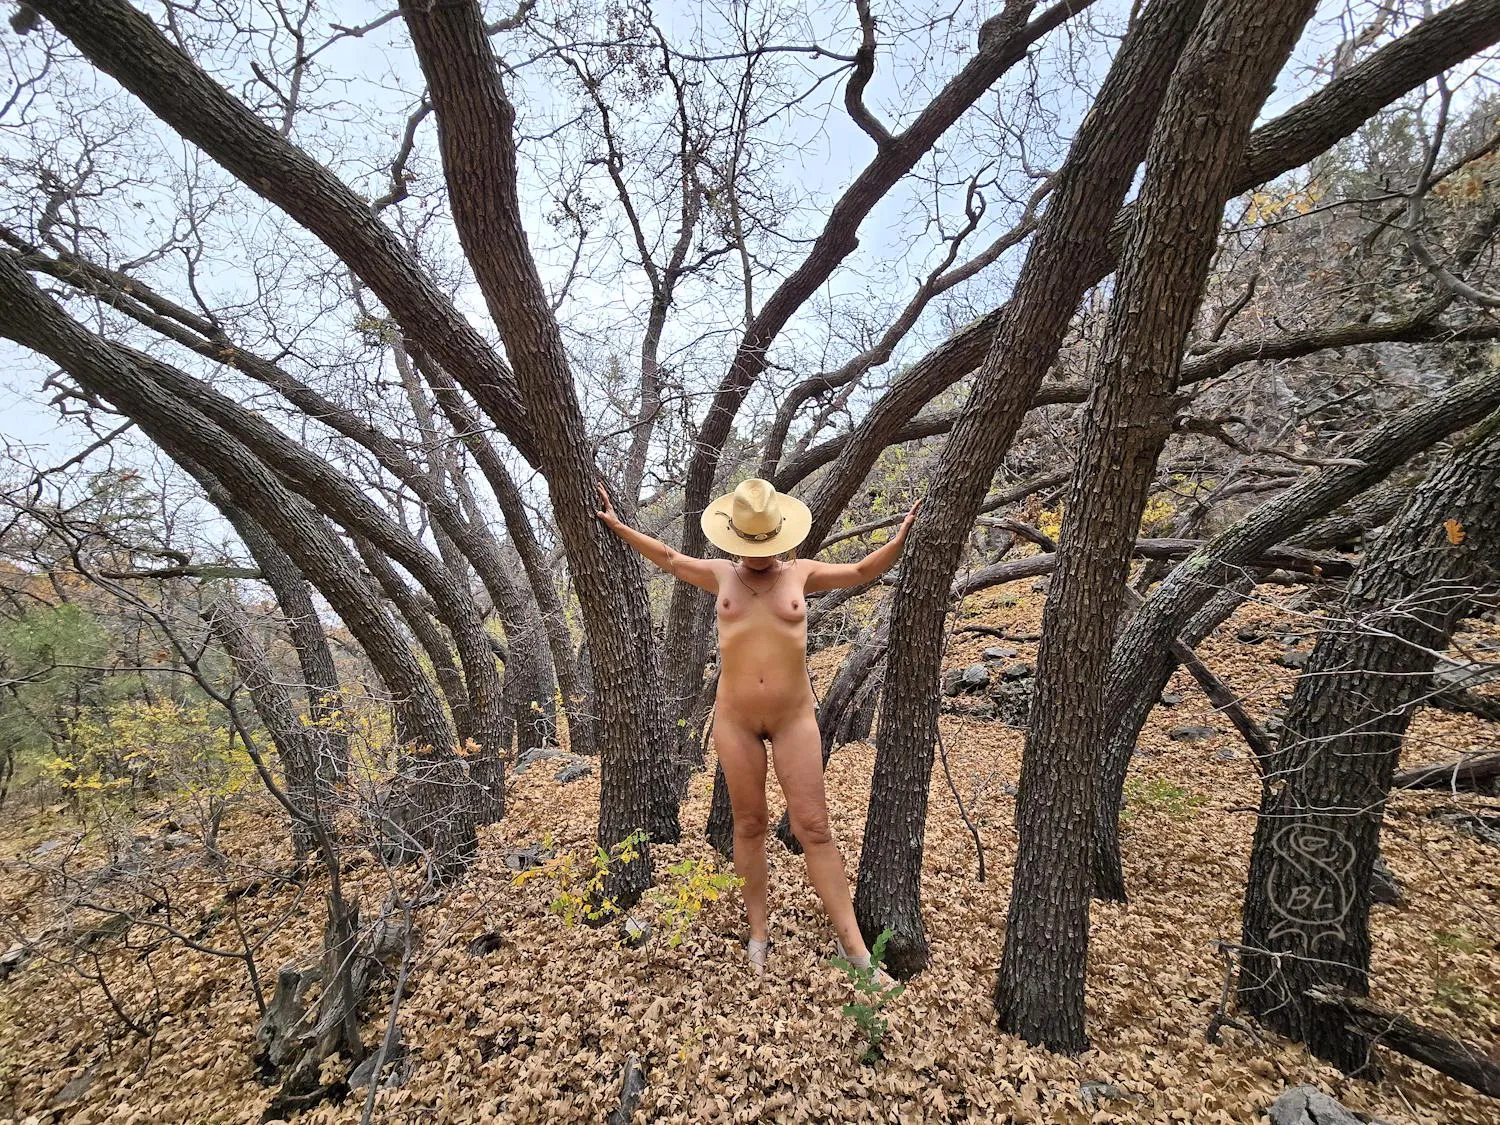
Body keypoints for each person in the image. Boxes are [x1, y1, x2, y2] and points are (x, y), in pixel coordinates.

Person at [596, 477, 921, 981]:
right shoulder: (721, 574)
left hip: (795, 718)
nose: (758, 555)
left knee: (813, 827)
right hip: (736, 720)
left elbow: (859, 570)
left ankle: (857, 951)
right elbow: (668, 558)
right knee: (748, 824)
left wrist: (898, 542)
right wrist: (618, 526)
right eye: (750, 544)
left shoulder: (801, 573)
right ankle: (758, 934)